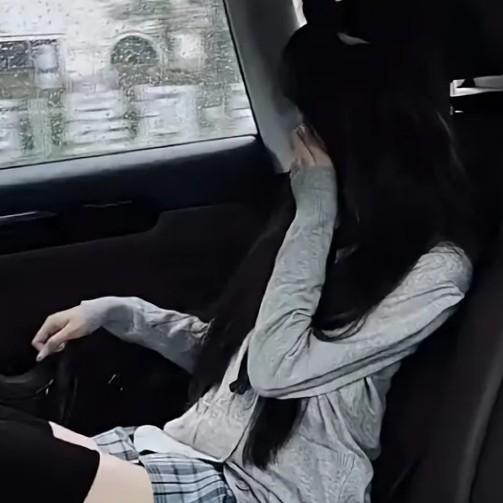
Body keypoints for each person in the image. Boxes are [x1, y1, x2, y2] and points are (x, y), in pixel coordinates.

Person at [1, 13, 481, 503]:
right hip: (180, 452)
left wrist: (314, 214)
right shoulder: (330, 228)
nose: (299, 138)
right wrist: (120, 313)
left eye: (311, 122)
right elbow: (234, 360)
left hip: (266, 488)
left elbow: (274, 371)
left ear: (359, 136)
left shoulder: (434, 270)